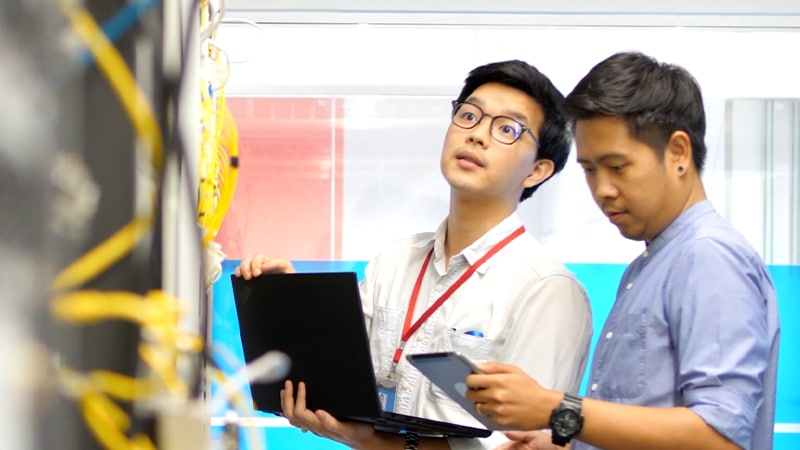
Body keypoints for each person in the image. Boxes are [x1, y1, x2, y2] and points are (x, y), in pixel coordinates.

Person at [235, 59, 593, 450]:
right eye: (469, 115)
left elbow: (524, 444)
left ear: (537, 170)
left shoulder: (549, 290)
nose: (477, 135)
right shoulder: (395, 260)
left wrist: (378, 445)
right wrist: (292, 306)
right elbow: (341, 376)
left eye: (507, 129)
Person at [464, 51, 781, 450]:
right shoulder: (650, 265)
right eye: (590, 170)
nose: (602, 190)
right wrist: (565, 444)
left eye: (617, 167)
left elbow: (718, 437)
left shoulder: (709, 257)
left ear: (678, 152)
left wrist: (554, 408)